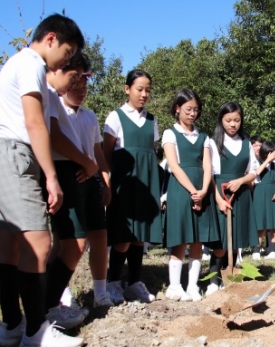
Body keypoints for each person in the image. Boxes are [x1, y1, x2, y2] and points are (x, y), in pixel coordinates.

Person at [0, 13, 85, 347]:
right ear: (51, 38)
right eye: (68, 53)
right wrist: (51, 177)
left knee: (10, 244)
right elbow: (35, 122)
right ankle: (37, 331)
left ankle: (12, 326)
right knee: (39, 244)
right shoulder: (31, 64)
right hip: (14, 153)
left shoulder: (18, 64)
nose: (68, 60)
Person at [42, 51, 98, 329]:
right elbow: (54, 138)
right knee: (74, 243)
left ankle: (45, 303)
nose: (78, 84)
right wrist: (86, 162)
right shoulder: (51, 97)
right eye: (75, 78)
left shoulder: (84, 113)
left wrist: (91, 166)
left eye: (82, 80)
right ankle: (48, 306)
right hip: (64, 170)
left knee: (67, 243)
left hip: (76, 172)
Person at [103, 69, 161, 304]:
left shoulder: (151, 119)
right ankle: (113, 282)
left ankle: (134, 282)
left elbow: (150, 153)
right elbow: (106, 154)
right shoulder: (115, 117)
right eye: (139, 89)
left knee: (140, 236)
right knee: (123, 235)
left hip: (146, 182)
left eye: (148, 89)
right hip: (124, 183)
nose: (144, 94)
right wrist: (106, 181)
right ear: (127, 89)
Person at [61, 61, 114, 308]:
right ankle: (62, 291)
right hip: (69, 178)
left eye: (85, 86)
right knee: (68, 240)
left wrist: (105, 181)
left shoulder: (90, 116)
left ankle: (100, 292)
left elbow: (98, 152)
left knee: (100, 237)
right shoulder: (57, 113)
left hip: (92, 180)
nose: (81, 90)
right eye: (76, 85)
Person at [162, 89, 219, 301]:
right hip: (180, 189)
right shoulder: (170, 133)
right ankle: (175, 286)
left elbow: (207, 165)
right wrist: (192, 191)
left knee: (197, 239)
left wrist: (203, 191)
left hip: (201, 190)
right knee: (181, 237)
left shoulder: (203, 137)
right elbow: (174, 166)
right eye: (188, 109)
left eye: (195, 110)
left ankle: (193, 286)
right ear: (177, 109)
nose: (192, 114)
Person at [206, 102, 258, 296]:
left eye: (237, 120)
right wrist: (219, 199)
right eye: (228, 120)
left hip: (241, 194)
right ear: (221, 120)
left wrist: (241, 181)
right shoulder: (213, 143)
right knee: (220, 242)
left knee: (236, 240)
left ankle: (232, 279)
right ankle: (213, 281)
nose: (233, 124)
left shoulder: (246, 143)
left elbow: (253, 171)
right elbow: (209, 174)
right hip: (220, 192)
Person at [252, 141, 275, 260]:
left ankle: (273, 250)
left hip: (272, 193)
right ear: (268, 152)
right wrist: (267, 160)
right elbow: (256, 173)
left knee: (274, 223)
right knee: (261, 223)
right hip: (260, 193)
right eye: (274, 151)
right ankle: (256, 250)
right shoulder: (257, 162)